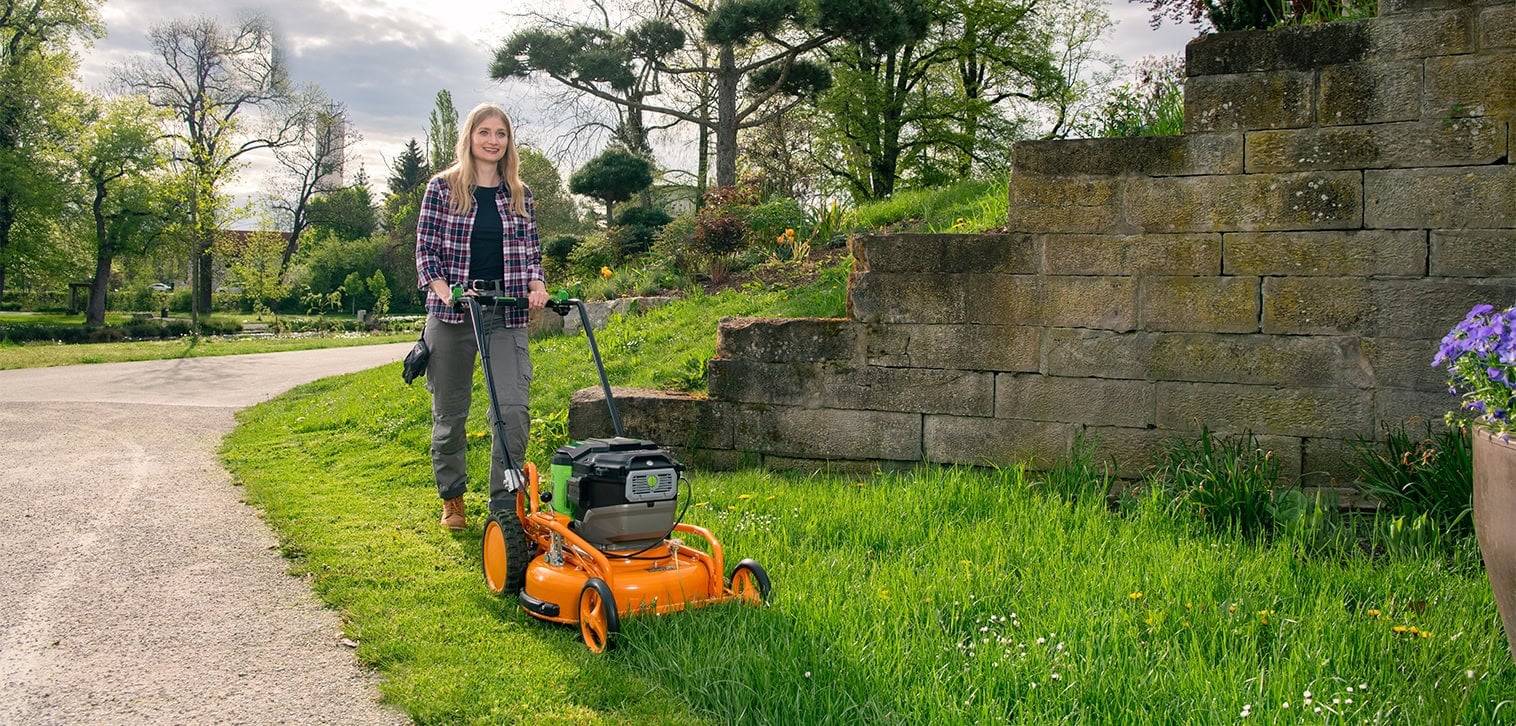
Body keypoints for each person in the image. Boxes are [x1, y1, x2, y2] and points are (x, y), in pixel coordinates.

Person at [415, 103, 549, 531]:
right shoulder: (442, 188)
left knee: (512, 410)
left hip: (504, 316)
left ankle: (504, 503)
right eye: (484, 132)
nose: (493, 140)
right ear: (469, 137)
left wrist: (536, 286)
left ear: (509, 142)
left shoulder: (520, 194)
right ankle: (452, 499)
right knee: (450, 414)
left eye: (501, 134)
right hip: (452, 316)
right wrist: (446, 292)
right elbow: (426, 253)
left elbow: (531, 255)